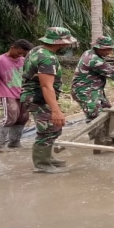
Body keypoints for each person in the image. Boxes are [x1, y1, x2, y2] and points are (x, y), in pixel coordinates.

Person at [21, 27, 77, 173]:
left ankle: (48, 158)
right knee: (47, 130)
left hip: (34, 96)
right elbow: (46, 86)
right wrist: (56, 110)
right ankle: (42, 164)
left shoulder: (37, 50)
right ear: (61, 43)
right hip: (39, 98)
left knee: (53, 128)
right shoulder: (47, 58)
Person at [71, 36, 114, 123]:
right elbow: (113, 74)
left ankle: (106, 132)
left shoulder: (90, 53)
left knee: (107, 110)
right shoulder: (94, 60)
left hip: (94, 90)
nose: (110, 52)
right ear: (101, 48)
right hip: (85, 92)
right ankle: (96, 135)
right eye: (109, 49)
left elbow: (110, 68)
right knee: (95, 117)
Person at [0, 39, 33, 152]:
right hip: (7, 92)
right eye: (18, 52)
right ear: (12, 48)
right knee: (10, 117)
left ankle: (14, 142)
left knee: (23, 118)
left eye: (22, 54)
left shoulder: (23, 60)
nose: (20, 55)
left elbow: (28, 76)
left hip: (22, 92)